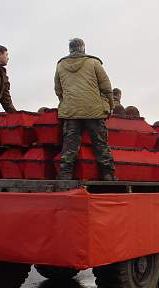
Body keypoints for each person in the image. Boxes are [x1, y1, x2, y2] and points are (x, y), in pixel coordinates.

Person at [54, 38, 116, 181]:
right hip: (93, 111)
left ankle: (65, 174)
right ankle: (107, 174)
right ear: (83, 48)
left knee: (70, 145)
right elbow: (106, 88)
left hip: (71, 112)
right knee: (100, 144)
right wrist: (110, 106)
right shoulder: (94, 63)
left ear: (70, 49)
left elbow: (58, 90)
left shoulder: (60, 65)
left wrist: (67, 103)